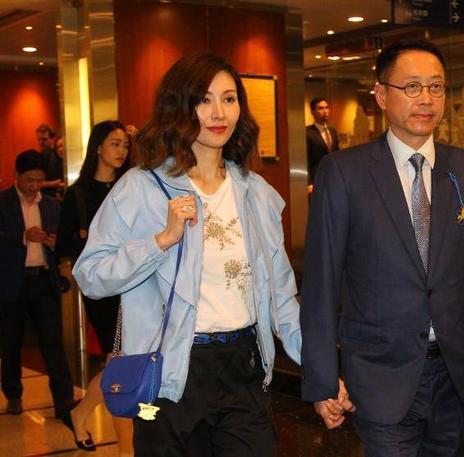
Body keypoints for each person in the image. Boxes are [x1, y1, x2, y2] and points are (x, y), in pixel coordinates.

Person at [300, 39, 464, 457]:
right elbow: (321, 283)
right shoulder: (345, 172)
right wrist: (322, 378)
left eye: (436, 87)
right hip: (379, 375)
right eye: (411, 86)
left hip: (455, 377)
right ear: (381, 94)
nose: (425, 98)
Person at [73, 53, 301, 456]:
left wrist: (319, 369)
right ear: (179, 106)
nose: (218, 113)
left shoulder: (256, 193)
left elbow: (282, 294)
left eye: (229, 99)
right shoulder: (141, 188)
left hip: (244, 366)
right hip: (170, 373)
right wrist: (160, 241)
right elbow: (90, 275)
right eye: (203, 100)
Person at [56, 120, 132, 453]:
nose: (122, 150)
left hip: (134, 282)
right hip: (103, 287)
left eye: (125, 144)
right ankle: (126, 444)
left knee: (123, 359)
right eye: (115, 143)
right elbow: (64, 245)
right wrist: (89, 241)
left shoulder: (131, 186)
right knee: (120, 359)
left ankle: (81, 413)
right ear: (98, 148)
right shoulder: (79, 193)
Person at [0, 150, 75, 421]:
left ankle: (64, 400)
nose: (34, 186)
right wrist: (23, 236)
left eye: (39, 181)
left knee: (52, 343)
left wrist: (55, 244)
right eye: (29, 180)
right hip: (12, 283)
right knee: (11, 343)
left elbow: (64, 242)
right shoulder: (3, 202)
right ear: (17, 176)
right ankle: (13, 394)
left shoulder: (52, 205)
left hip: (43, 280)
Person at [306, 97, 339, 184]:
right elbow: (306, 160)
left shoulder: (333, 131)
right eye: (320, 108)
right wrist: (309, 182)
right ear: (313, 112)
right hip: (316, 177)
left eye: (327, 108)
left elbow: (336, 154)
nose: (325, 111)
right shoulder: (308, 132)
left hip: (333, 176)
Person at [35, 124, 65, 198]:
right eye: (39, 139)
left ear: (52, 139)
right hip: (44, 196)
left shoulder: (59, 154)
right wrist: (52, 184)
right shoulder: (38, 157)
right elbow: (35, 181)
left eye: (44, 139)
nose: (41, 142)